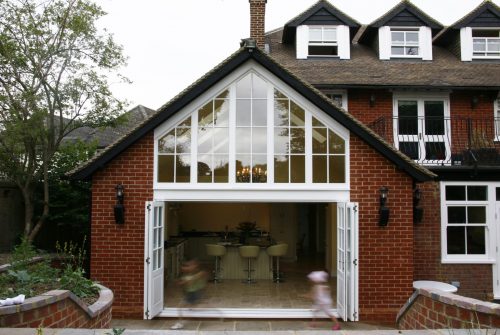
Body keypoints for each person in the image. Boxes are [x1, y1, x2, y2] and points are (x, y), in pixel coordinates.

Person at [170, 259, 207, 330]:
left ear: (195, 266)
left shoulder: (198, 273)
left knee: (181, 307)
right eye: (185, 266)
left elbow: (201, 275)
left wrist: (189, 280)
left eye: (189, 266)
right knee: (187, 307)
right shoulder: (186, 275)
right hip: (190, 294)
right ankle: (194, 309)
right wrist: (182, 282)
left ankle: (180, 323)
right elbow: (180, 283)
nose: (185, 267)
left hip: (194, 294)